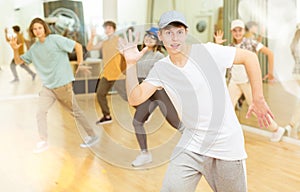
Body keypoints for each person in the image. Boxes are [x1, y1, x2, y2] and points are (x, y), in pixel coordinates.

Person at [120, 10, 274, 192]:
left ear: (186, 33)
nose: (174, 38)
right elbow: (135, 97)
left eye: (179, 31)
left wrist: (258, 98)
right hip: (192, 143)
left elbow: (250, 57)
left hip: (225, 144)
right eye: (168, 32)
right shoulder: (161, 69)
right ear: (160, 36)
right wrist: (130, 64)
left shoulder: (208, 51)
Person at [8, 17, 99, 153]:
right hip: (48, 87)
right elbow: (19, 62)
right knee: (40, 112)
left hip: (63, 85)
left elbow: (78, 46)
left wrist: (80, 63)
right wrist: (15, 49)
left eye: (40, 28)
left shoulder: (55, 39)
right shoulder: (34, 49)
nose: (37, 31)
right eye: (34, 29)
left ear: (44, 28)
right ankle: (43, 140)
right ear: (32, 32)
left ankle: (92, 135)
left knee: (76, 112)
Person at [214, 19, 287, 142]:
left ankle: (277, 129)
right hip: (234, 83)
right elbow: (218, 58)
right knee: (226, 108)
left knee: (257, 109)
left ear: (243, 31)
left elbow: (270, 53)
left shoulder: (251, 43)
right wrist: (217, 44)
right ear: (231, 32)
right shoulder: (230, 47)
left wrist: (270, 72)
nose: (237, 33)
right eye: (235, 30)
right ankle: (224, 135)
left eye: (240, 30)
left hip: (248, 83)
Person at [131, 27, 184, 167]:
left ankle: (195, 144)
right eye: (147, 36)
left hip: (158, 91)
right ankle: (145, 154)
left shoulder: (159, 57)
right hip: (145, 91)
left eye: (152, 37)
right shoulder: (139, 54)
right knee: (137, 122)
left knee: (175, 123)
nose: (148, 39)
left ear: (158, 41)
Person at [86, 21, 124, 124]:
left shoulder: (119, 40)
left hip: (118, 74)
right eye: (106, 28)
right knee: (100, 94)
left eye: (109, 28)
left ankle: (144, 111)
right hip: (107, 74)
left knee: (128, 97)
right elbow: (89, 48)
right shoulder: (104, 42)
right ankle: (107, 116)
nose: (107, 30)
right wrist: (92, 36)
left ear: (114, 29)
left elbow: (127, 51)